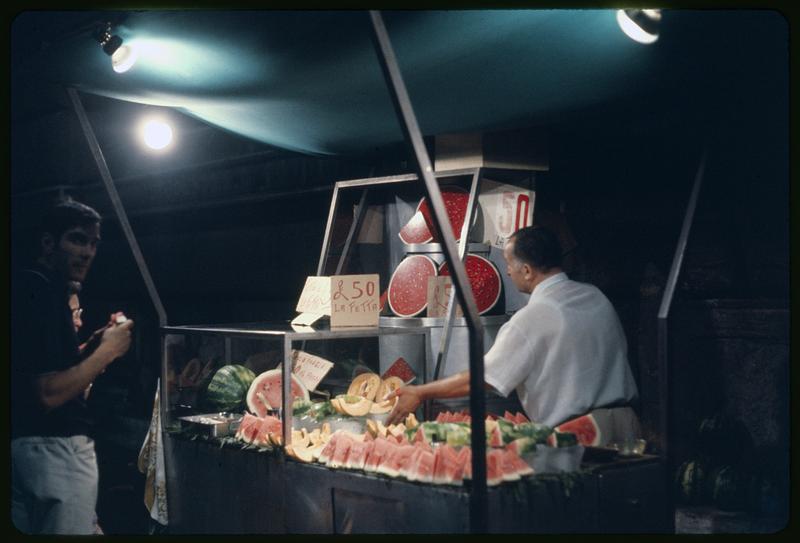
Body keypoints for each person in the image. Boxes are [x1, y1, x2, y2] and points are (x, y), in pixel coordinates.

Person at [386, 225, 641, 445]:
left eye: (509, 264)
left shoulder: (531, 318)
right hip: (630, 428)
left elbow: (480, 379)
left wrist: (420, 393)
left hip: (579, 436)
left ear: (527, 270)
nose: (507, 272)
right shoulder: (595, 296)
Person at [11, 199, 135, 535]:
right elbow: (47, 393)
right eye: (77, 240)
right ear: (49, 243)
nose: (88, 252)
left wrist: (91, 346)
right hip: (56, 450)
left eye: (93, 243)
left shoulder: (32, 285)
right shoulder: (42, 293)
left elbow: (40, 368)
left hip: (27, 449)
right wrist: (106, 354)